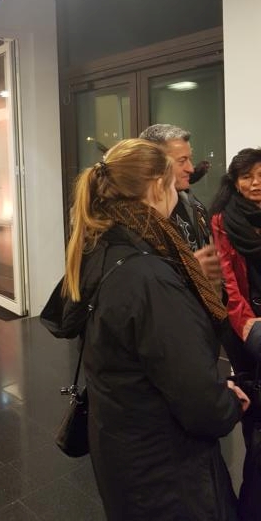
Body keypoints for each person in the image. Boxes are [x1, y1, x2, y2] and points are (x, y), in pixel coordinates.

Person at [63, 138, 248, 520]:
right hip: (166, 471)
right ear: (155, 188)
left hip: (125, 449)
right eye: (172, 177)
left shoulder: (104, 247)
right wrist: (229, 402)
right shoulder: (149, 276)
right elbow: (201, 404)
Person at [139, 124, 221, 284]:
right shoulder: (137, 217)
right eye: (182, 161)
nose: (191, 168)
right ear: (153, 164)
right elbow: (139, 283)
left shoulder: (192, 203)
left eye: (190, 159)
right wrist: (190, 272)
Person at [210, 148, 261, 363]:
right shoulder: (223, 220)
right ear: (236, 184)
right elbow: (227, 276)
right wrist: (245, 321)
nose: (256, 183)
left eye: (260, 175)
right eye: (246, 177)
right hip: (244, 310)